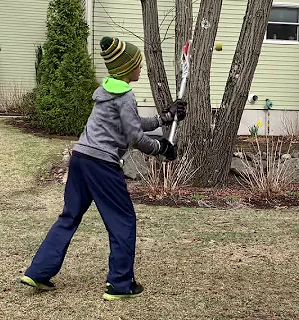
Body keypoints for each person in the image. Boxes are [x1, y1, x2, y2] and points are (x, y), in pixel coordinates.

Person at [20, 36, 187, 300]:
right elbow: (136, 138)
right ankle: (120, 284)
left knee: (69, 216)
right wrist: (162, 148)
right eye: (138, 64)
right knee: (123, 220)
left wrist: (166, 117)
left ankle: (38, 271)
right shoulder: (125, 96)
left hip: (80, 159)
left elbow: (132, 124)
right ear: (127, 67)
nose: (140, 67)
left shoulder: (107, 92)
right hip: (101, 165)